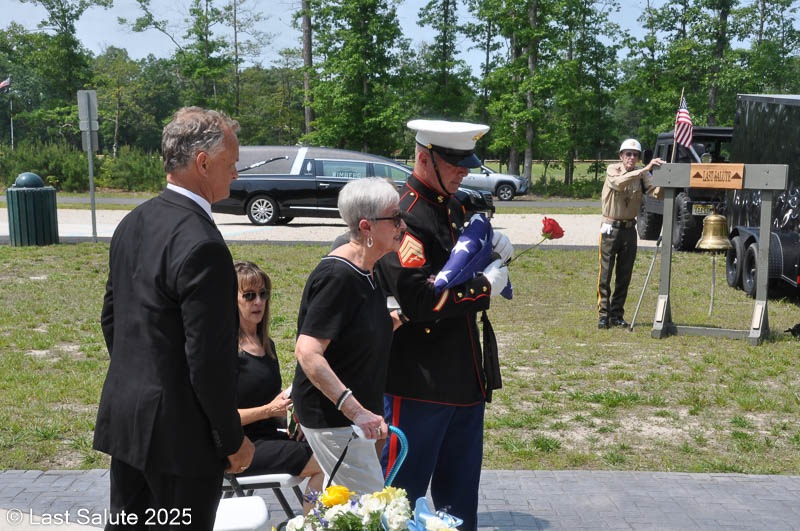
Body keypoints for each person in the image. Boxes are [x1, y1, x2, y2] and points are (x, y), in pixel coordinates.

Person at [94, 106, 255, 531]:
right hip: (180, 441)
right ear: (202, 163)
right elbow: (208, 360)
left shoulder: (133, 221)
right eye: (231, 162)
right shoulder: (203, 243)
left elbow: (112, 319)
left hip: (129, 423)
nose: (235, 173)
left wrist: (146, 383)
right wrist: (232, 439)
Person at [375, 119, 512, 531]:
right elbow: (420, 302)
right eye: (454, 164)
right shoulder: (402, 216)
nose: (463, 172)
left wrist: (493, 250)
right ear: (424, 159)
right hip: (419, 381)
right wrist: (483, 288)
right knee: (400, 499)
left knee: (459, 499)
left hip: (464, 377)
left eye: (466, 164)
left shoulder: (454, 206)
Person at [291, 177, 405, 495]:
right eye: (395, 218)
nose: (402, 225)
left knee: (342, 505)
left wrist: (410, 312)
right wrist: (356, 411)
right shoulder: (338, 276)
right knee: (367, 507)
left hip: (357, 418)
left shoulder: (368, 268)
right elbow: (307, 352)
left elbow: (361, 332)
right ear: (366, 227)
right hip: (335, 419)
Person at [233, 260, 323, 514]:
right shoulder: (227, 352)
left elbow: (272, 404)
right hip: (240, 446)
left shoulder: (267, 345)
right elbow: (221, 418)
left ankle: (313, 521)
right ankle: (312, 524)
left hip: (270, 436)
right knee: (323, 462)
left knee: (328, 448)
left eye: (263, 294)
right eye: (249, 295)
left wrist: (293, 418)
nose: (258, 302)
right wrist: (269, 410)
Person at [597, 138, 664, 329]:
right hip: (610, 227)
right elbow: (618, 184)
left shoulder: (642, 175)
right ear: (621, 156)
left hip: (629, 229)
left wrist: (666, 178)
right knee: (605, 273)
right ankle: (603, 314)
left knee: (624, 274)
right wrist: (644, 170)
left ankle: (617, 314)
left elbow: (656, 193)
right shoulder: (613, 170)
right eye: (628, 154)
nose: (632, 158)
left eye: (635, 155)